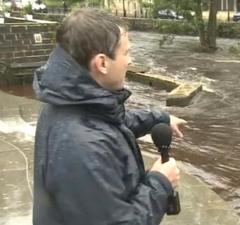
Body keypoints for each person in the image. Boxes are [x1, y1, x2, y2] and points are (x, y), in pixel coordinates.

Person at [32, 8, 186, 225]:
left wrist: (160, 118)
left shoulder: (70, 102)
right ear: (102, 63)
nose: (130, 61)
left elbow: (112, 124)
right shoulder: (84, 148)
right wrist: (160, 183)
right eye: (126, 53)